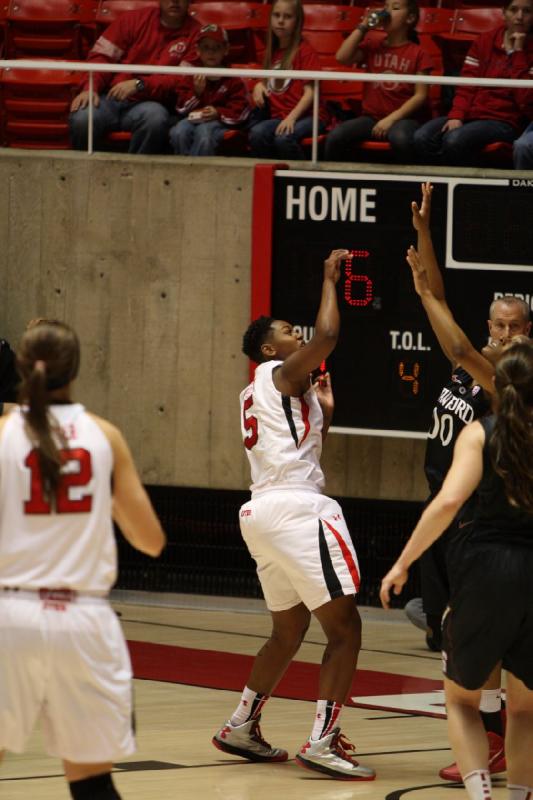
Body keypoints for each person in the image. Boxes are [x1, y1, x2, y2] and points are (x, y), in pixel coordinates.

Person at [211, 250, 375, 781]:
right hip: (298, 510)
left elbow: (295, 444)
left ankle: (241, 724)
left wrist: (322, 411)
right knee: (345, 629)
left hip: (261, 510)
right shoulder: (278, 371)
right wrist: (329, 279)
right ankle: (324, 740)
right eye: (287, 331)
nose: (298, 335)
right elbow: (327, 337)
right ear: (268, 349)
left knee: (289, 630)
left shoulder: (264, 392)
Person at [380, 273, 533, 800]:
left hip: (485, 561)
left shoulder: (481, 432)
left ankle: (480, 791)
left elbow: (447, 502)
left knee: (461, 700)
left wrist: (402, 563)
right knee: (527, 709)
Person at [0, 321, 166, 800]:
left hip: (12, 616)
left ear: (20, 366)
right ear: (76, 370)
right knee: (92, 785)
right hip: (83, 621)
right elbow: (151, 541)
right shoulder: (104, 436)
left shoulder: (5, 435)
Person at [405, 183, 531, 783]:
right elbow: (449, 315)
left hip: (475, 526)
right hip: (445, 514)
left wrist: (425, 293)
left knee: (478, 647)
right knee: (456, 642)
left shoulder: (503, 380)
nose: (504, 334)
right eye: (499, 324)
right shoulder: (473, 360)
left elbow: (449, 331)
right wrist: (426, 234)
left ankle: (494, 751)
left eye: (516, 327)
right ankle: (491, 746)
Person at [69, 0, 201, 154]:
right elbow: (102, 57)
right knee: (83, 117)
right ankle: (87, 172)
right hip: (111, 97)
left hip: (151, 103)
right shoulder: (132, 19)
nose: (175, 1)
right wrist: (91, 87)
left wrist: (140, 84)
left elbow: (180, 80)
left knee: (155, 118)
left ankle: (136, 175)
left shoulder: (197, 35)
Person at [414, 0, 533, 166]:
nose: (520, 17)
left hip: (506, 122)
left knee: (454, 140)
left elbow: (525, 100)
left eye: (527, 11)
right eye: (514, 10)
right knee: (422, 137)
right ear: (504, 12)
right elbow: (467, 84)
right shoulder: (485, 41)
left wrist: (518, 53)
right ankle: (435, 188)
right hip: (472, 114)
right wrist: (457, 115)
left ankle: (466, 189)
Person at [325, 0, 432, 163]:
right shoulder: (373, 45)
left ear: (409, 19)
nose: (387, 12)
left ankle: (408, 186)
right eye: (386, 7)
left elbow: (420, 96)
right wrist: (363, 26)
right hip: (372, 118)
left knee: (400, 139)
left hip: (403, 119)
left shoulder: (419, 53)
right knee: (336, 136)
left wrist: (391, 119)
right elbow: (342, 57)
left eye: (395, 8)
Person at [248, 0, 328, 160]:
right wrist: (259, 85)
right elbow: (267, 83)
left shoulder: (305, 51)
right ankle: (271, 177)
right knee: (257, 133)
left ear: (297, 22)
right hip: (279, 116)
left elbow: (311, 93)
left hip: (309, 116)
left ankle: (301, 178)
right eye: (276, 15)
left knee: (283, 138)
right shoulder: (270, 52)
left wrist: (291, 118)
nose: (281, 21)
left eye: (288, 16)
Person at [169, 24, 250, 157]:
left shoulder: (233, 79)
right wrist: (197, 94)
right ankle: (183, 172)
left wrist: (218, 113)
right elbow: (181, 108)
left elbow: (241, 113)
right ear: (198, 50)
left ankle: (200, 174)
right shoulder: (191, 75)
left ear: (226, 49)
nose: (211, 52)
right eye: (206, 47)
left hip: (219, 123)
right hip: (193, 119)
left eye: (217, 47)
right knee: (178, 131)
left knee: (204, 133)